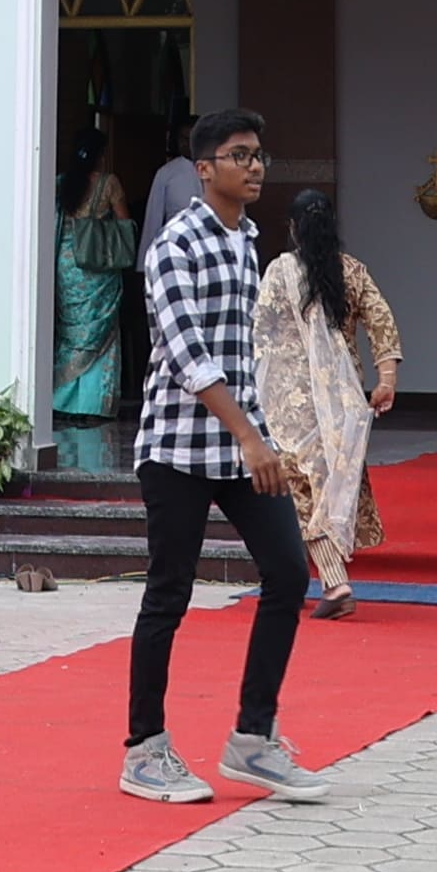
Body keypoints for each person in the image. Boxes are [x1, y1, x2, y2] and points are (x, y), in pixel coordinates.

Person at [121, 109, 328, 809]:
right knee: (168, 594)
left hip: (242, 443)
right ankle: (144, 749)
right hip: (179, 447)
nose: (256, 166)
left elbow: (245, 352)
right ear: (204, 169)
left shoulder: (247, 242)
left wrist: (266, 433)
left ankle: (252, 739)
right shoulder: (174, 247)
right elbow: (185, 353)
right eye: (240, 155)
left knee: (286, 572)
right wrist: (248, 436)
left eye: (260, 155)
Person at [249, 188, 404, 616]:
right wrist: (385, 379)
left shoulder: (281, 271)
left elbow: (260, 334)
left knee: (297, 487)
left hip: (289, 401)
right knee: (324, 484)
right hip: (342, 398)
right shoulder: (351, 272)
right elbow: (382, 322)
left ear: (294, 228)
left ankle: (334, 585)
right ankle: (295, 579)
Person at [52, 162, 140, 476]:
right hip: (97, 265)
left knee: (71, 332)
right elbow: (123, 221)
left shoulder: (61, 182)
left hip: (67, 263)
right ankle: (91, 405)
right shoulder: (109, 182)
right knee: (100, 333)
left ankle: (62, 398)